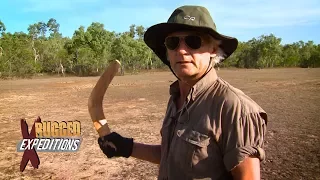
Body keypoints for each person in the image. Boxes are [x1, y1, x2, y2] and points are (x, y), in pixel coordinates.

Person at [97, 5, 268, 180]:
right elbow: (171, 156)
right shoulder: (177, 98)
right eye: (173, 43)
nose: (181, 50)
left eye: (193, 41)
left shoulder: (234, 108)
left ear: (213, 49)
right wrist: (127, 147)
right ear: (167, 51)